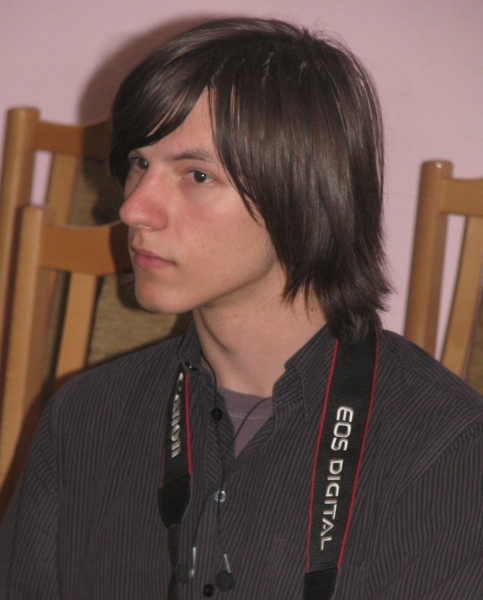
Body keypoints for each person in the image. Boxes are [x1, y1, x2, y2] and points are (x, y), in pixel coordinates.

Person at [1, 17, 482, 600]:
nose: (133, 209)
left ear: (302, 195)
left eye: (197, 175)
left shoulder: (444, 451)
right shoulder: (83, 419)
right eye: (140, 163)